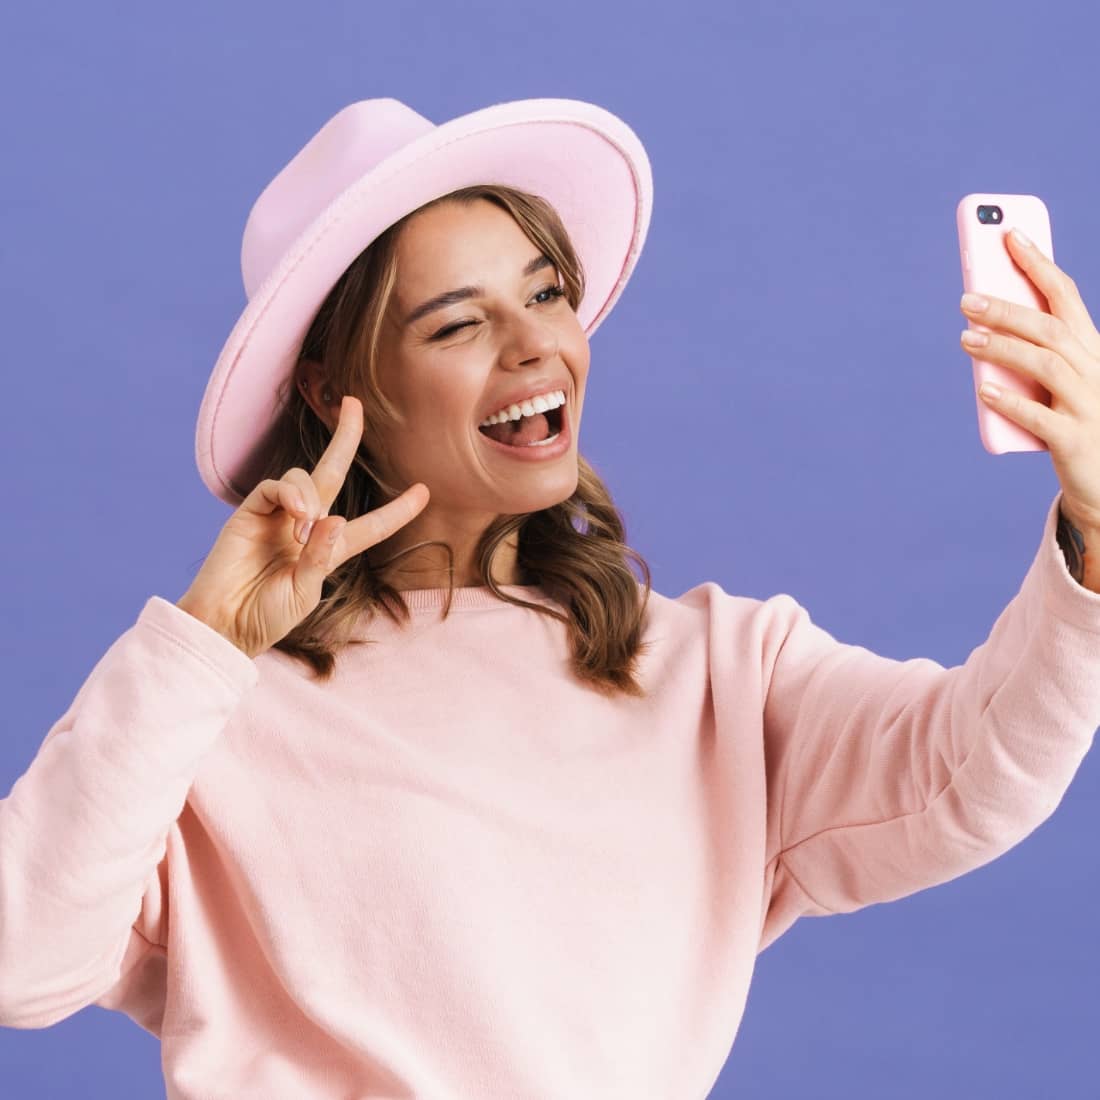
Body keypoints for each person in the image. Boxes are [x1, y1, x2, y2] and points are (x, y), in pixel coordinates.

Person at [2, 96, 1100, 1100]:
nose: (538, 344)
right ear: (341, 395)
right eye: (457, 322)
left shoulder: (716, 670)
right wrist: (203, 643)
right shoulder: (203, 716)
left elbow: (972, 774)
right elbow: (21, 960)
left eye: (544, 292)